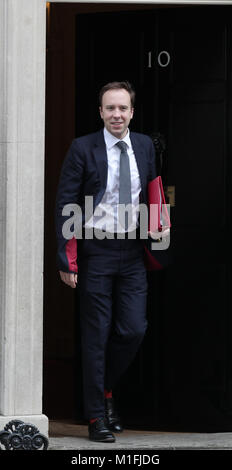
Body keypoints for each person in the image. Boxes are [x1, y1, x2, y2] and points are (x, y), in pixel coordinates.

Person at [55, 81, 156, 443]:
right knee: (95, 335)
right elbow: (66, 203)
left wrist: (159, 237)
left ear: (131, 111)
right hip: (95, 250)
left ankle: (106, 390)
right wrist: (68, 260)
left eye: (123, 108)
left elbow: (153, 192)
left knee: (133, 329)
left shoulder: (144, 145)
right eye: (110, 108)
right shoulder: (83, 148)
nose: (117, 114)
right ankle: (96, 415)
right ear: (100, 112)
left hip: (131, 252)